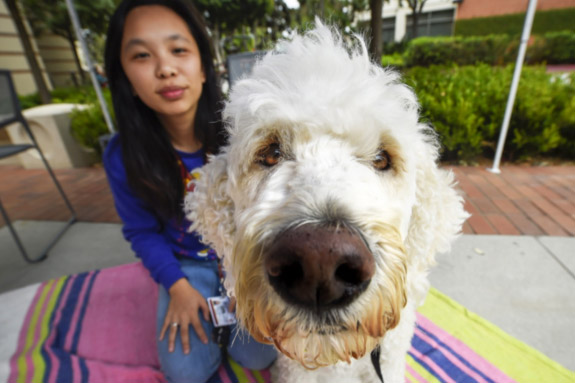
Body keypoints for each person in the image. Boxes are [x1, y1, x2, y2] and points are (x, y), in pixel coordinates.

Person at [102, 1, 277, 382]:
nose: (165, 68)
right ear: (125, 78)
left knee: (259, 356)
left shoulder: (241, 134)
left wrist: (243, 275)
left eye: (178, 50)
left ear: (203, 67)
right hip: (185, 266)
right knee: (186, 373)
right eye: (142, 56)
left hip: (240, 255)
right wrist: (177, 288)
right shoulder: (122, 156)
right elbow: (142, 232)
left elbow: (262, 211)